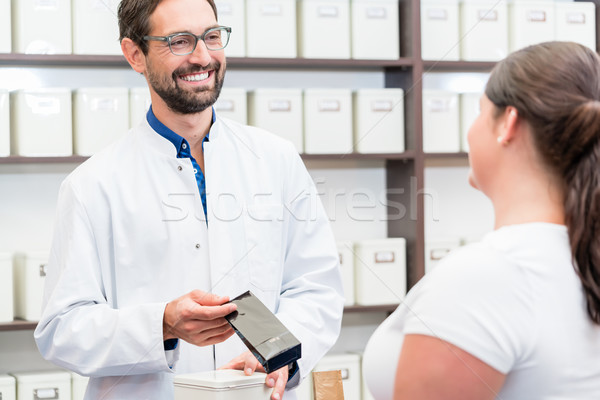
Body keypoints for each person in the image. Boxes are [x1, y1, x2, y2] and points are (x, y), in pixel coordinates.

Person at [33, 0, 344, 399]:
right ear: (135, 54)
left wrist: (285, 352)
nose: (202, 56)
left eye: (212, 36)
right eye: (179, 41)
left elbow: (316, 287)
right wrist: (161, 324)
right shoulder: (92, 184)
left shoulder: (276, 159)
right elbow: (62, 329)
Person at [363, 41, 600, 399]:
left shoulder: (488, 277)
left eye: (478, 112)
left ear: (508, 123)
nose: (471, 130)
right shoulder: (580, 256)